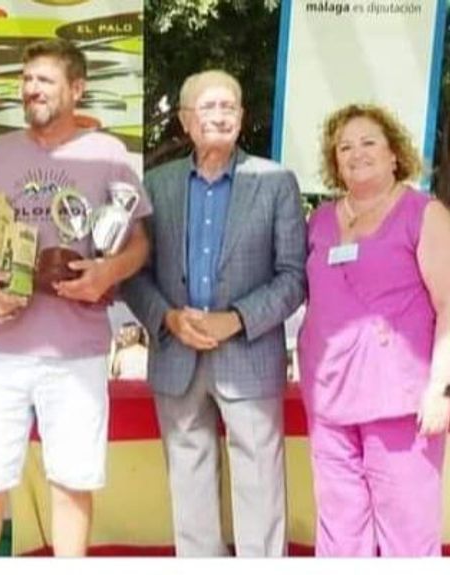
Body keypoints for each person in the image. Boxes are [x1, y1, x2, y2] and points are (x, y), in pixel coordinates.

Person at [0, 39, 151, 557]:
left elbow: (141, 243)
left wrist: (107, 272)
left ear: (76, 89)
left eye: (45, 81)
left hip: (76, 349)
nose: (32, 89)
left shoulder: (110, 155)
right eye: (27, 80)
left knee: (72, 481)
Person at [120, 69, 306, 557]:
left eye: (229, 107)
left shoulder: (275, 181)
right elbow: (132, 273)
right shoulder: (155, 185)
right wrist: (167, 318)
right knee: (189, 491)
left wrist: (237, 318)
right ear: (185, 119)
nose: (220, 116)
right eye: (208, 107)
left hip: (248, 355)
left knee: (261, 492)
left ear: (242, 118)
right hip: (175, 355)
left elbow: (294, 277)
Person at [297, 103, 450, 556]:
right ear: (334, 160)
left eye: (369, 143)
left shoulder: (427, 214)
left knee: (407, 530)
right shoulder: (320, 220)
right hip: (327, 397)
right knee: (339, 533)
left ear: (393, 155)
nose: (356, 153)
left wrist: (441, 387)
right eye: (345, 146)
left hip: (401, 400)